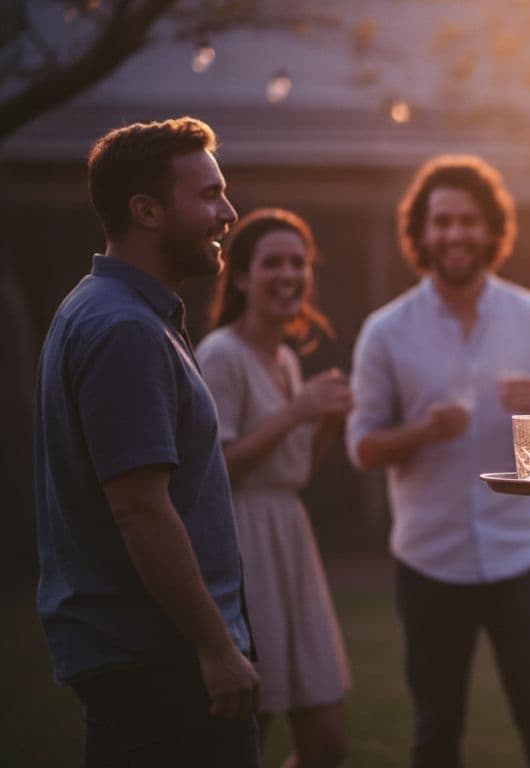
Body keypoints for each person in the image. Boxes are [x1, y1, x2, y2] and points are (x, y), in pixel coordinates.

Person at [33, 117, 261, 766]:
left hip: (147, 657)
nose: (228, 212)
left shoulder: (111, 310)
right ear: (147, 211)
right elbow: (139, 508)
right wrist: (218, 648)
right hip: (160, 664)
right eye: (210, 195)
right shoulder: (123, 329)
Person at [346, 155, 530, 768]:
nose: (455, 234)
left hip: (523, 552)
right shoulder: (386, 330)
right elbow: (363, 447)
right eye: (442, 222)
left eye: (469, 221)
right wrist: (419, 433)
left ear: (491, 230)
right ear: (421, 234)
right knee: (435, 732)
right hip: (430, 559)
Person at [197, 208, 353, 767]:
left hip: (290, 535)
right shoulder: (221, 355)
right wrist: (297, 412)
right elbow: (215, 473)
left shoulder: (287, 358)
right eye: (273, 263)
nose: (289, 274)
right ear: (240, 277)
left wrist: (326, 422)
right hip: (241, 543)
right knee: (250, 728)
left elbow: (295, 474)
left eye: (299, 263)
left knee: (326, 740)